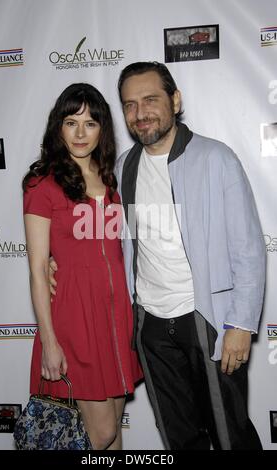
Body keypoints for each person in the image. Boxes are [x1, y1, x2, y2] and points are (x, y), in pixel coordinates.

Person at [50, 63, 266, 450]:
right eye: (130, 105)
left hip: (208, 320)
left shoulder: (216, 159)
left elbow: (249, 248)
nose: (140, 113)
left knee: (229, 433)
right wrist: (56, 262)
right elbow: (103, 236)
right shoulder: (123, 168)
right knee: (178, 436)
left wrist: (242, 324)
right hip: (150, 325)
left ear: (175, 100)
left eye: (150, 100)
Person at [23, 83, 142, 451]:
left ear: (102, 128)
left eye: (89, 123)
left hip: (116, 316)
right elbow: (38, 269)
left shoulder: (113, 178)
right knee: (100, 434)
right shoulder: (42, 183)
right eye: (70, 122)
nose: (79, 133)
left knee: (115, 437)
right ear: (57, 126)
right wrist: (49, 342)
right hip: (74, 318)